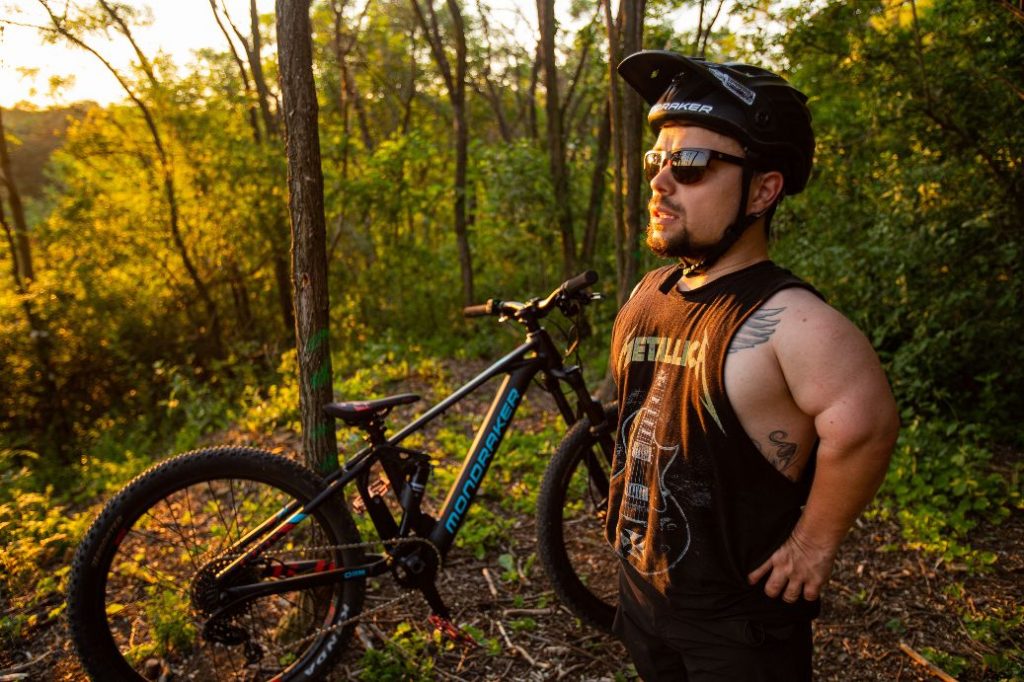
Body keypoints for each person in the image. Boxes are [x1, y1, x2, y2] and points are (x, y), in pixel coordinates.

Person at [604, 50, 900, 681]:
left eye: (691, 164)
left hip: (738, 629)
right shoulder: (649, 293)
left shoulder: (793, 320)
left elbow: (866, 425)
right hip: (645, 597)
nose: (660, 182)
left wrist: (814, 544)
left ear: (764, 190)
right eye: (657, 160)